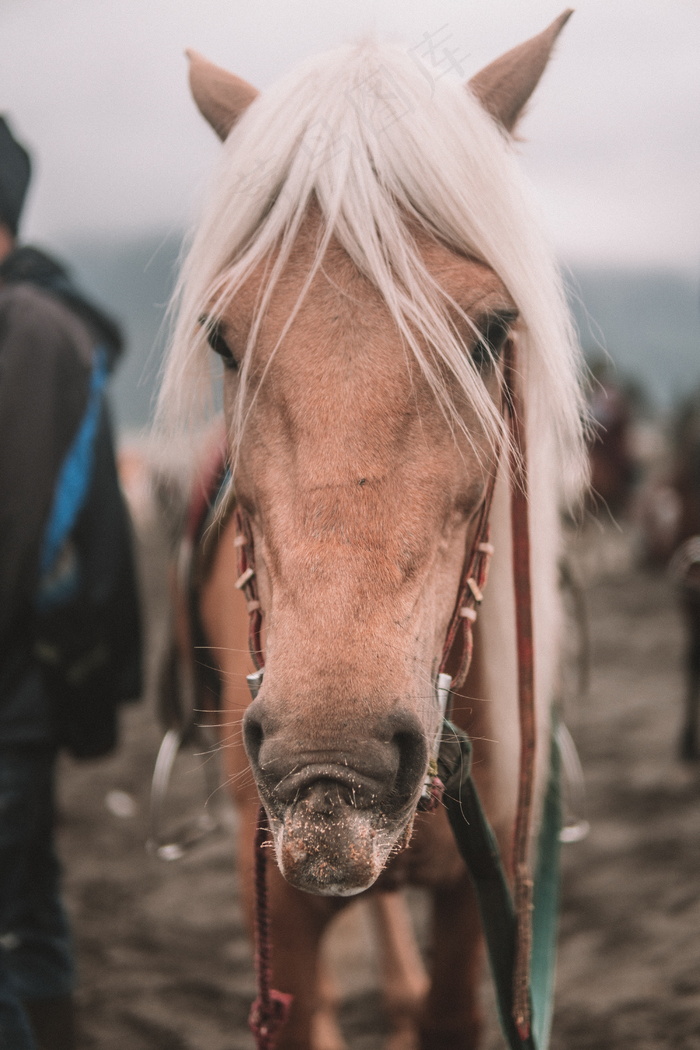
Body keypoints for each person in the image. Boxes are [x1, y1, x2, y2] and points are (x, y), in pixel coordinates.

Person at [0, 116, 143, 1049]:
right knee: (26, 906)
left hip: (12, 688)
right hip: (23, 689)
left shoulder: (27, 328)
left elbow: (13, 533)